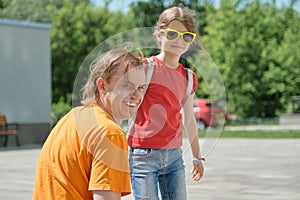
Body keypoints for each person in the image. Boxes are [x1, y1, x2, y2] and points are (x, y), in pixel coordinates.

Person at [33, 49, 146, 200]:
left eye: (140, 88)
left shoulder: (73, 116)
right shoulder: (110, 133)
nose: (136, 95)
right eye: (127, 85)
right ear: (102, 85)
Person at [127, 6, 205, 200]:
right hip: (142, 156)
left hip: (174, 157)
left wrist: (196, 155)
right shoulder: (145, 67)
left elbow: (189, 120)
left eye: (186, 36)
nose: (179, 41)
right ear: (159, 34)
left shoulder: (188, 77)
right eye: (172, 34)